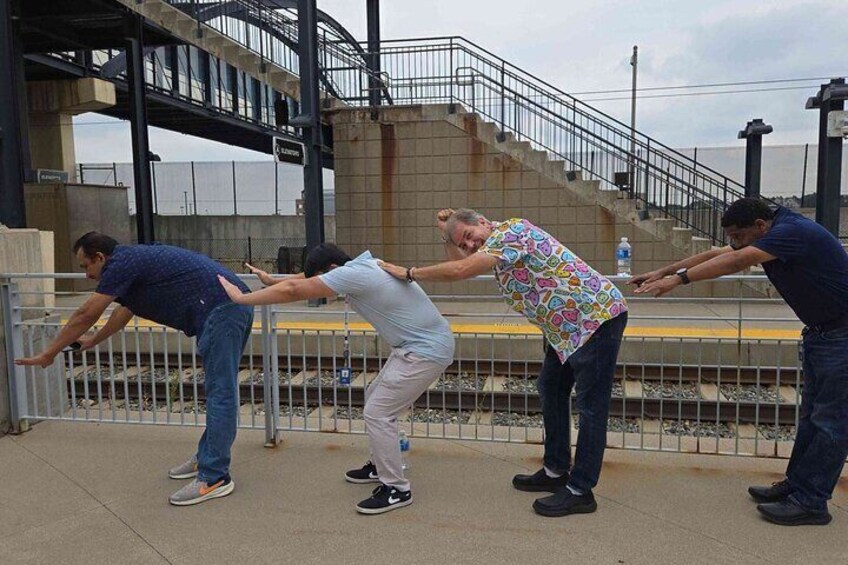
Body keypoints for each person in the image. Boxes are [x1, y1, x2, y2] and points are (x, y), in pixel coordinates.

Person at [381, 208, 628, 517]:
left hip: (596, 319)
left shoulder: (512, 232)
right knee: (551, 388)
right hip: (566, 331)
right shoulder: (495, 248)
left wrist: (409, 273)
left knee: (591, 406)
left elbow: (461, 270)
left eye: (470, 236)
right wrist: (448, 235)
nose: (470, 245)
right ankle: (555, 470)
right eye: (464, 243)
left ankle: (581, 491)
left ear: (483, 222)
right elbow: (461, 263)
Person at [630, 197, 848, 526]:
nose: (733, 242)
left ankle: (811, 502)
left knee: (830, 422)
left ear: (759, 226)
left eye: (737, 235)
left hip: (841, 336)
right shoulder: (772, 230)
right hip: (824, 335)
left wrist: (679, 280)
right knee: (812, 418)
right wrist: (662, 271)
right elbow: (718, 254)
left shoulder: (793, 232)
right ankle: (797, 485)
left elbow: (736, 261)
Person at [16, 232, 254, 507]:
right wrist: (93, 340)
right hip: (225, 308)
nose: (86, 275)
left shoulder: (121, 264)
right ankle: (207, 457)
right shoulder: (131, 263)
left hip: (223, 310)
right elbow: (123, 312)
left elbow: (86, 313)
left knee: (221, 394)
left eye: (86, 266)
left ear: (100, 258)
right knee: (218, 391)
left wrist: (49, 352)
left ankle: (214, 477)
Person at [219, 243, 455, 515]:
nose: (322, 287)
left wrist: (241, 298)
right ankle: (380, 465)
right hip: (415, 347)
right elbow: (306, 280)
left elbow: (295, 289)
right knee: (374, 398)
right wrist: (273, 281)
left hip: (424, 351)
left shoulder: (354, 274)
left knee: (378, 413)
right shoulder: (363, 266)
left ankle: (397, 489)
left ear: (332, 269)